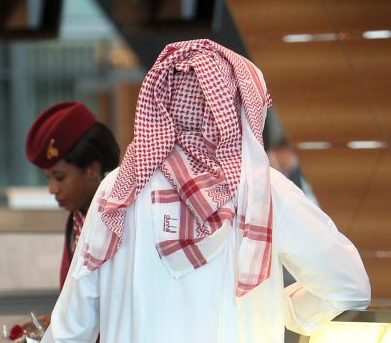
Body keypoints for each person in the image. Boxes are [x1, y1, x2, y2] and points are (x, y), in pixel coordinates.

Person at [41, 39, 371, 343]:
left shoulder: (118, 190)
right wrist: (286, 310)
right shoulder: (261, 190)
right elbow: (347, 287)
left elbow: (70, 330)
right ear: (235, 108)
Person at [25, 100, 121, 288]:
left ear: (92, 169)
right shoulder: (77, 219)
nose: (52, 189)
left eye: (59, 177)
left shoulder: (118, 221)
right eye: (48, 178)